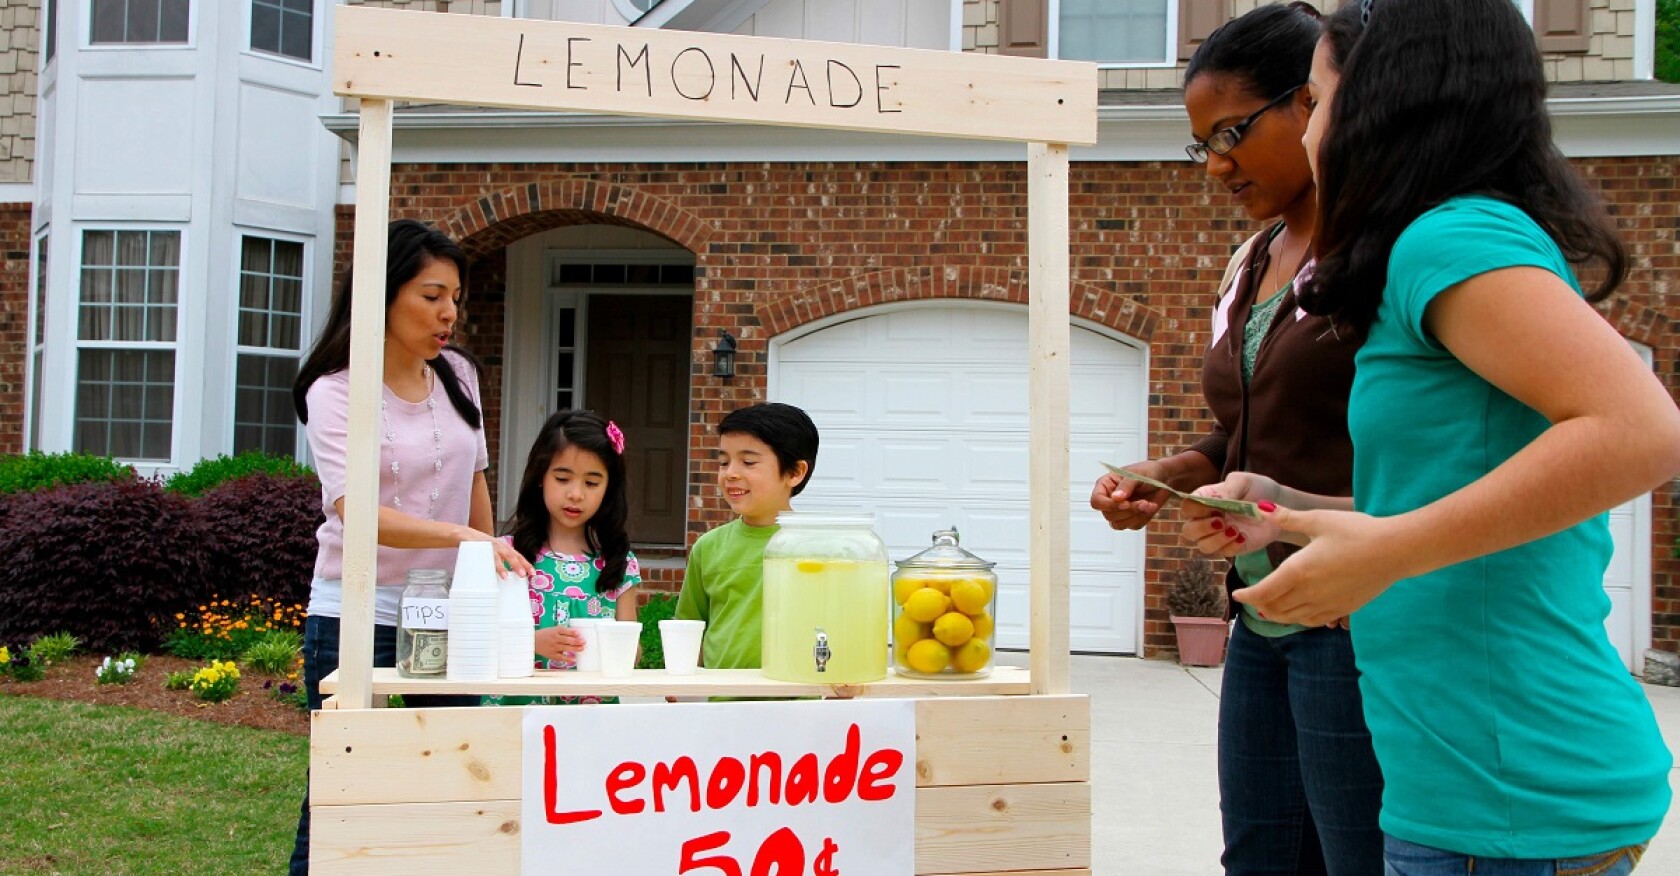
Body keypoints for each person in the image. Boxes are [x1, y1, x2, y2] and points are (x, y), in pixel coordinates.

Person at [1187, 1, 1679, 872]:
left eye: (1319, 99)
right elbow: (1442, 491)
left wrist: (1387, 552)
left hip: (1510, 795)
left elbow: (1643, 430)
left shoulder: (1448, 238)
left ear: (1380, 100)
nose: (1312, 128)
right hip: (1457, 789)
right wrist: (1287, 509)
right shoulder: (1420, 247)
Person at [1088, 4, 1383, 874]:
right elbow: (1247, 427)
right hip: (1260, 612)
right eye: (1201, 146)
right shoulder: (1250, 261)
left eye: (1231, 134)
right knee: (1258, 857)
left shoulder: (1385, 252)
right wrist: (1170, 472)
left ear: (1310, 102)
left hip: (1354, 618)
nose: (1215, 164)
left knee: (1354, 859)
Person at [287, 219, 534, 875]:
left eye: (455, 296)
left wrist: (487, 570)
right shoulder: (334, 391)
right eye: (431, 295)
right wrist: (465, 538)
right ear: (383, 292)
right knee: (343, 797)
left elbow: (475, 482)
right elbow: (358, 515)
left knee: (455, 782)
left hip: (450, 613)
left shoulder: (459, 375)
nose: (449, 312)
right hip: (355, 614)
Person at [485, 409, 641, 706]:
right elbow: (475, 641)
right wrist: (531, 642)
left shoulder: (619, 564)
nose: (576, 494)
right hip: (515, 718)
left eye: (592, 483)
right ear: (540, 476)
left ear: (609, 489)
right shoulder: (507, 557)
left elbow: (632, 653)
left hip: (590, 721)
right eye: (562, 478)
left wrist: (614, 646)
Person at [674, 402, 819, 673]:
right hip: (720, 696)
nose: (730, 473)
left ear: (795, 472)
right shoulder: (708, 547)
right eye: (723, 462)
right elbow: (688, 630)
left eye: (748, 462)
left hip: (797, 694)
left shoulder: (821, 548)